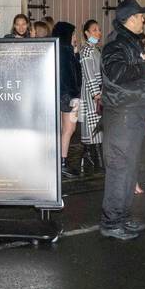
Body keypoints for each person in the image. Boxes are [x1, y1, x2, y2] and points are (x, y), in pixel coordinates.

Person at [98, 0, 145, 240]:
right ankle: (111, 222)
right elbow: (118, 72)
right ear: (130, 19)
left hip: (132, 111)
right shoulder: (116, 43)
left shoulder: (130, 42)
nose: (143, 20)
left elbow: (134, 70)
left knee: (130, 167)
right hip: (122, 113)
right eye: (140, 16)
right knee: (120, 168)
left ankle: (121, 216)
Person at [52, 22, 82, 178]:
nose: (75, 37)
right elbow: (73, 76)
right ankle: (62, 163)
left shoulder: (57, 49)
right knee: (69, 129)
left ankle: (59, 162)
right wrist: (75, 97)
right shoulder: (65, 51)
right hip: (69, 97)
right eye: (73, 34)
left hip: (60, 96)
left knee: (62, 130)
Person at [78, 19, 104, 172]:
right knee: (93, 128)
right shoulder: (86, 50)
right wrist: (96, 95)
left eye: (99, 29)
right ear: (87, 33)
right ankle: (96, 161)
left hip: (98, 91)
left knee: (97, 128)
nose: (98, 32)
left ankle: (90, 159)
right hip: (91, 92)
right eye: (94, 30)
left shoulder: (95, 49)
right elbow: (89, 75)